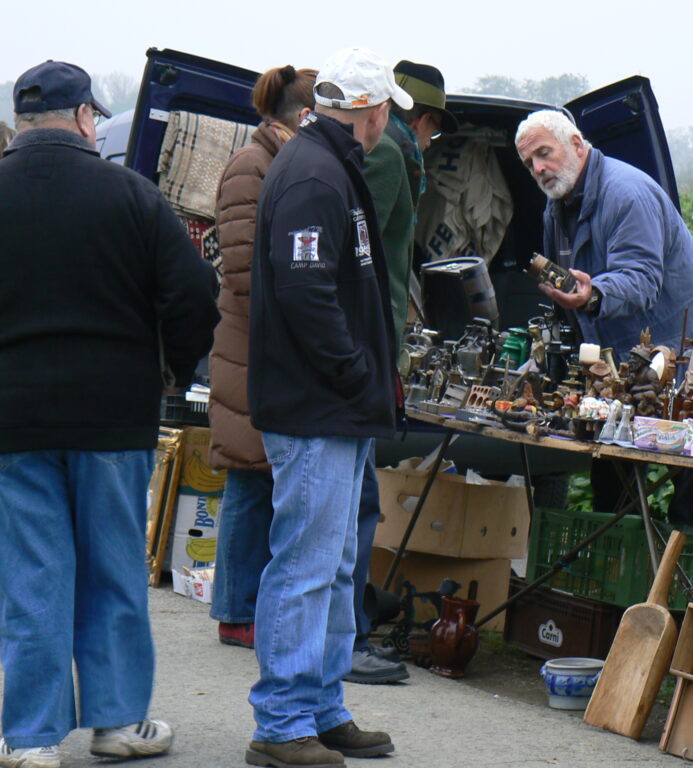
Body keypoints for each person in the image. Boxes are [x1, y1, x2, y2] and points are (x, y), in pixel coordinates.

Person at [0, 61, 218, 767]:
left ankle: (30, 739)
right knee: (114, 570)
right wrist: (174, 373)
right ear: (88, 118)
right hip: (112, 416)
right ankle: (118, 724)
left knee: (32, 577)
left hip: (13, 420)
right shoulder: (132, 195)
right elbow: (194, 295)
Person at [245, 47, 409, 768]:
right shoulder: (316, 173)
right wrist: (354, 372)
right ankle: (281, 723)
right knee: (308, 566)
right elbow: (306, 292)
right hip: (317, 407)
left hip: (334, 408)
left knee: (336, 564)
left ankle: (319, 706)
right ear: (373, 112)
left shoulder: (323, 164)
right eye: (387, 114)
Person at [515, 109, 693, 531]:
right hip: (627, 362)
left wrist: (593, 293)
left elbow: (640, 280)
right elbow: (567, 295)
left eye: (545, 154)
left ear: (577, 145)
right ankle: (622, 586)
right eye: (530, 163)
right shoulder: (555, 208)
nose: (539, 169)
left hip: (691, 354)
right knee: (612, 474)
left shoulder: (626, 193)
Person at [345, 59, 458, 686]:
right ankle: (350, 636)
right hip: (366, 343)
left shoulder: (389, 152)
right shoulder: (391, 156)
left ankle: (350, 622)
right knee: (357, 500)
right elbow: (360, 257)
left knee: (355, 496)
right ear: (426, 120)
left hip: (370, 339)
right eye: (434, 129)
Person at [208, 65, 316, 651]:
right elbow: (246, 269)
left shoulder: (278, 161)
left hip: (264, 347)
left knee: (261, 476)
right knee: (250, 477)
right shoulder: (252, 166)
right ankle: (235, 610)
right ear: (302, 117)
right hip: (252, 348)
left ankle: (245, 605)